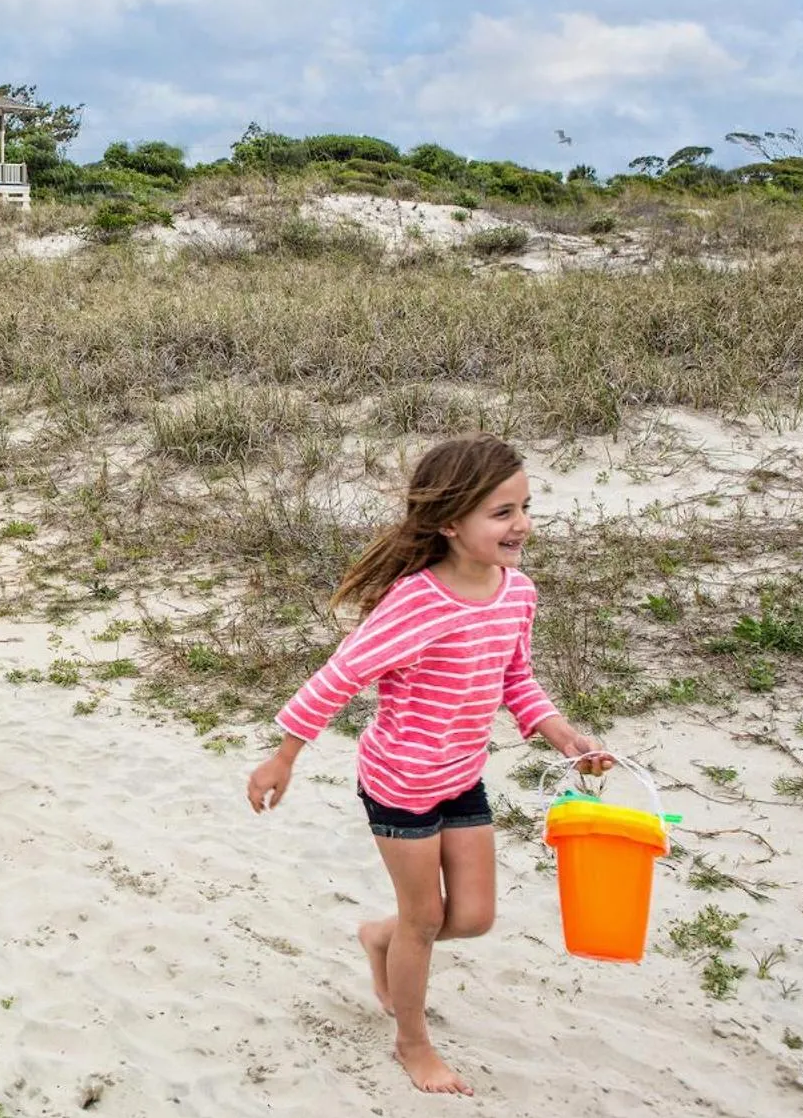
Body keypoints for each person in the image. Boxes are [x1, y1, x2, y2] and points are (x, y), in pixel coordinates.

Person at [244, 433, 609, 1097]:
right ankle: (412, 1044)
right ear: (448, 523)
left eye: (524, 506)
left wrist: (562, 735)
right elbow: (338, 676)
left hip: (460, 776)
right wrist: (283, 756)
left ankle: (378, 938)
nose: (520, 524)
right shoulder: (415, 602)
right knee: (426, 920)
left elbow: (516, 679)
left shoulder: (515, 592)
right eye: (501, 513)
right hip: (399, 786)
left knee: (470, 917)